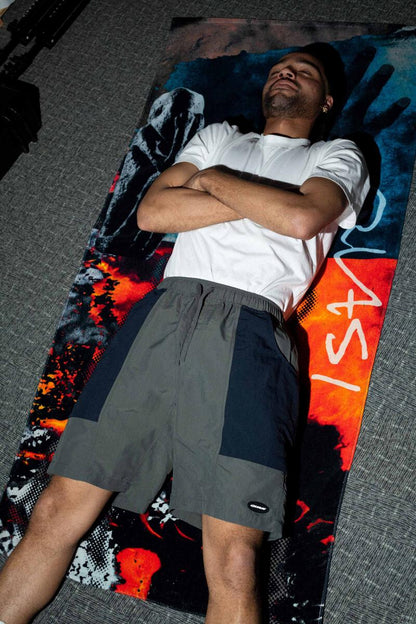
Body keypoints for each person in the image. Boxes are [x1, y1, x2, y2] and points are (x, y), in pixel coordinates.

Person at [0, 43, 369, 624]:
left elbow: (303, 219)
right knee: (55, 510)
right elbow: (154, 213)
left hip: (251, 329)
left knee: (234, 558)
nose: (287, 72)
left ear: (325, 101)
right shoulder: (220, 136)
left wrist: (214, 182)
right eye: (279, 68)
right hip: (162, 315)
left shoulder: (338, 154)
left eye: (304, 71)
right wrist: (266, 203)